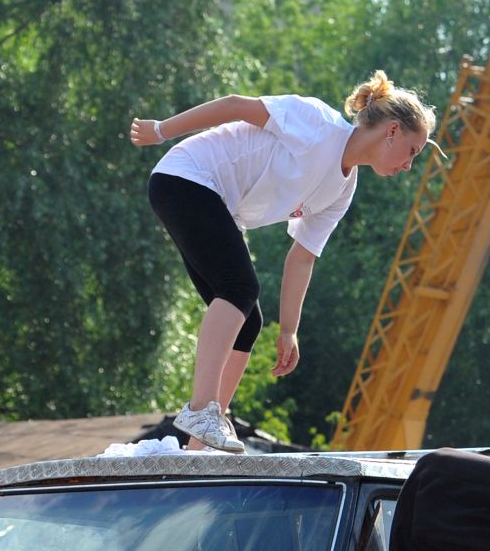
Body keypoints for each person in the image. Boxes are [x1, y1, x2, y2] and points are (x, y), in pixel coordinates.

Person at [131, 72, 436, 453]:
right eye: (412, 151)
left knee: (249, 319)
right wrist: (161, 130)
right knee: (238, 288)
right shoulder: (316, 123)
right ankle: (200, 410)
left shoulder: (343, 189)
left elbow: (303, 256)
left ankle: (200, 444)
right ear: (392, 130)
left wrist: (289, 329)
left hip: (213, 201)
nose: (409, 166)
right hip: (187, 178)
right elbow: (234, 105)